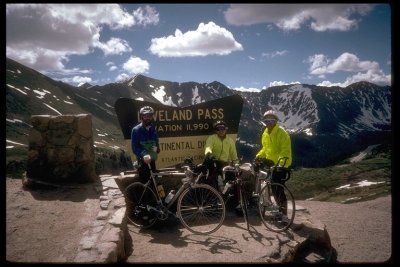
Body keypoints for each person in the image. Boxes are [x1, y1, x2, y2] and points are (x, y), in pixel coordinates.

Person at [254, 110, 292, 217]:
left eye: (271, 120)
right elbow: (265, 149)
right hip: (270, 164)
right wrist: (258, 156)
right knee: (270, 188)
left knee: (278, 190)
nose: (269, 123)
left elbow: (285, 151)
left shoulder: (282, 133)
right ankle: (275, 209)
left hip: (281, 165)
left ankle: (284, 214)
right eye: (266, 121)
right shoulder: (265, 133)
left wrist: (280, 164)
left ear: (276, 121)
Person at [204, 120, 239, 191]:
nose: (221, 130)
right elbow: (208, 147)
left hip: (224, 163)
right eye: (218, 129)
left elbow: (233, 154)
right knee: (210, 180)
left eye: (223, 128)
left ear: (226, 129)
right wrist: (209, 154)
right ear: (216, 130)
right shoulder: (212, 138)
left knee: (232, 180)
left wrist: (236, 164)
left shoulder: (230, 141)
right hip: (212, 161)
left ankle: (227, 195)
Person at [131, 105, 160, 183]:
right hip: (143, 163)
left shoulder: (153, 128)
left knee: (154, 183)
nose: (148, 118)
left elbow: (156, 141)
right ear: (141, 117)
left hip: (152, 161)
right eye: (145, 116)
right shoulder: (136, 130)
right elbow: (134, 147)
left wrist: (157, 148)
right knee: (146, 184)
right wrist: (144, 154)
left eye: (150, 115)